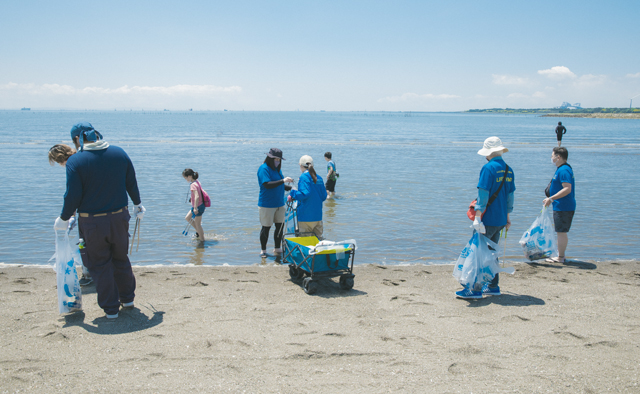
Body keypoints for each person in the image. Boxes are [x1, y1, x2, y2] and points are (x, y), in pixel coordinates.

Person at [53, 122, 145, 319]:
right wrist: (138, 204)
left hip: (92, 222)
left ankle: (111, 309)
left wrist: (63, 218)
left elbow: (72, 195)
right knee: (121, 258)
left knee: (99, 263)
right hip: (120, 217)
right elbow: (131, 181)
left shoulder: (76, 161)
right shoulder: (119, 153)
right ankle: (128, 299)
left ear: (77, 139)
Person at [456, 136, 515, 299]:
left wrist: (477, 217)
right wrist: (508, 217)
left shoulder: (488, 168)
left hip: (486, 219)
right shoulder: (509, 169)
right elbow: (510, 197)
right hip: (501, 219)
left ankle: (474, 289)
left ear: (488, 153)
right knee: (493, 253)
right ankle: (493, 286)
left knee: (478, 254)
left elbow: (483, 195)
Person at [48, 144, 94, 286]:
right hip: (98, 206)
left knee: (83, 243)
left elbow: (73, 194)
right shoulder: (85, 158)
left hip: (87, 211)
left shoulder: (72, 165)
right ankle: (95, 273)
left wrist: (66, 217)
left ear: (60, 158)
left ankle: (88, 275)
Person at [257, 148, 293, 257]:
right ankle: (263, 250)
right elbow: (267, 184)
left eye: (279, 159)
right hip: (267, 204)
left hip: (280, 203)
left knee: (279, 227)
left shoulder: (277, 170)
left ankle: (277, 248)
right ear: (269, 158)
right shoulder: (264, 169)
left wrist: (291, 188)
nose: (277, 161)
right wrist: (283, 181)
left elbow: (279, 185)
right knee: (266, 227)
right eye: (275, 159)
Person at [543, 147, 575, 264]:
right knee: (560, 231)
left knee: (561, 232)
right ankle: (561, 255)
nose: (551, 158)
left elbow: (567, 189)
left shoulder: (564, 170)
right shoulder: (561, 168)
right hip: (560, 205)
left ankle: (560, 257)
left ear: (558, 157)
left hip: (564, 206)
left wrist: (551, 198)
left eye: (552, 156)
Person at [288, 155, 328, 238]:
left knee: (305, 241)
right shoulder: (319, 178)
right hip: (317, 216)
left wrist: (293, 192)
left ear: (301, 166)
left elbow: (305, 194)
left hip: (305, 216)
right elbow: (324, 196)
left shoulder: (303, 177)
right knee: (318, 241)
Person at [183, 168, 206, 243]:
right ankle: (199, 232)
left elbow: (197, 196)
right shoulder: (197, 182)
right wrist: (191, 199)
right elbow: (197, 194)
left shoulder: (193, 185)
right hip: (198, 205)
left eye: (186, 178)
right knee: (187, 218)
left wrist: (195, 208)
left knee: (198, 224)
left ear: (189, 176)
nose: (185, 179)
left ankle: (202, 241)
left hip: (198, 207)